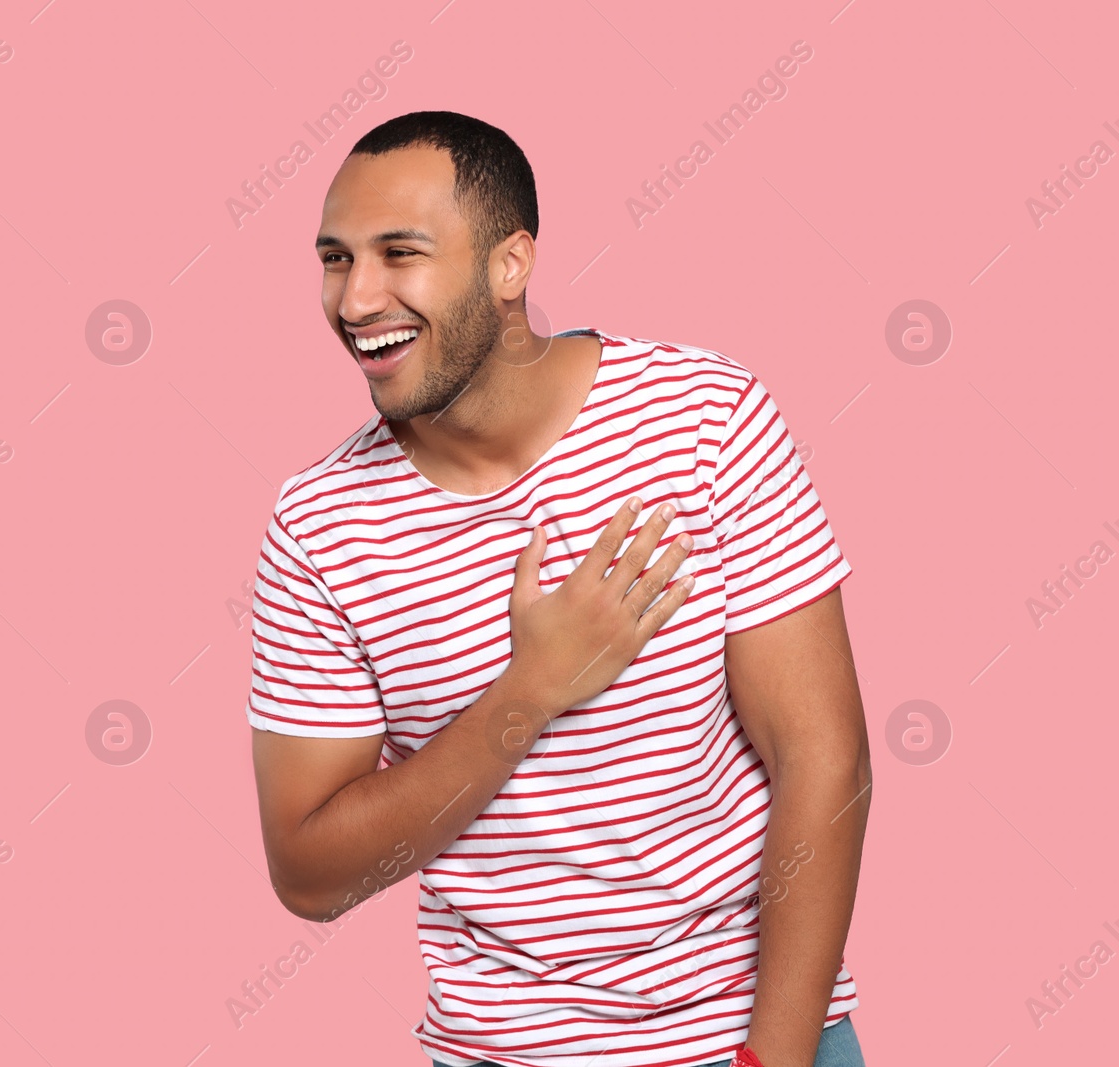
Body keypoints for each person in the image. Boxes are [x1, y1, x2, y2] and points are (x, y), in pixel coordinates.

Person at [243, 110, 871, 1067]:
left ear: (510, 266)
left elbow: (822, 755)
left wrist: (772, 1059)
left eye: (399, 254)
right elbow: (310, 871)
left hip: (768, 1035)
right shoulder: (320, 527)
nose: (357, 299)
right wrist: (529, 693)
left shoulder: (705, 420)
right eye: (335, 260)